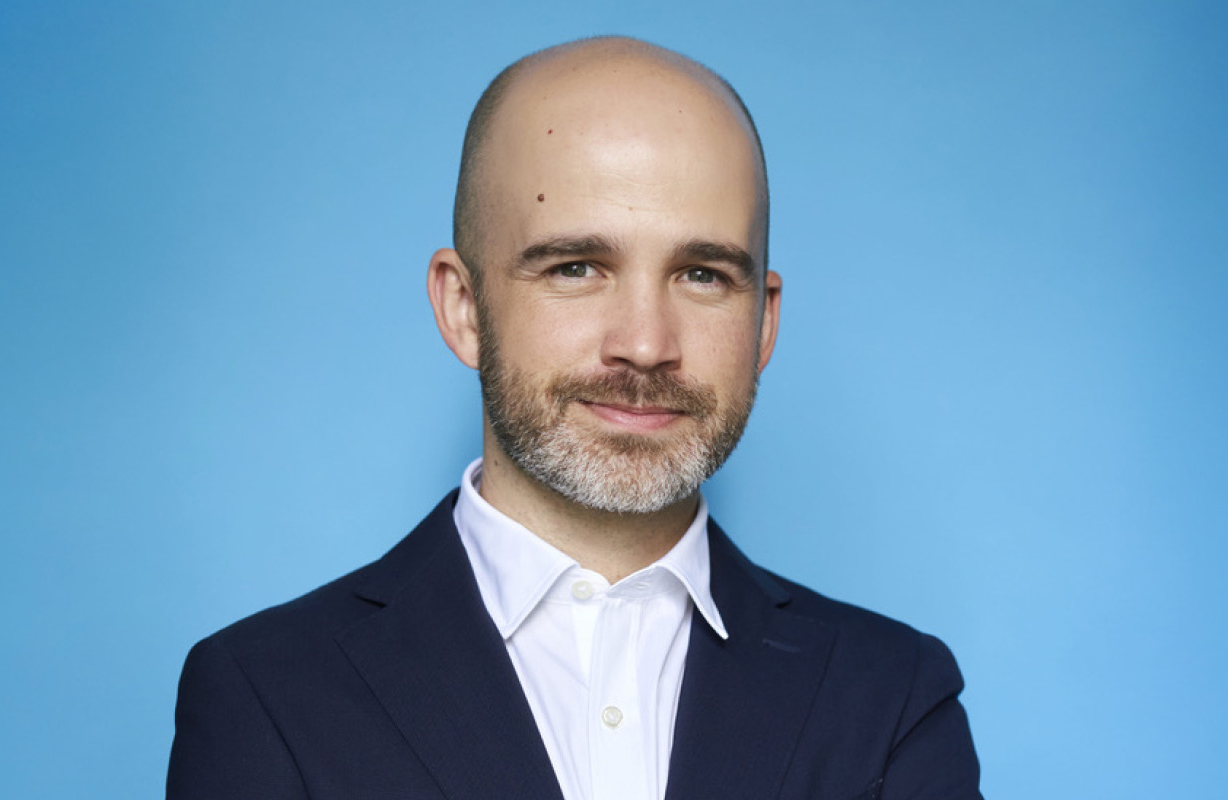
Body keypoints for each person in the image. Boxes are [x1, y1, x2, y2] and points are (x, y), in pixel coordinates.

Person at [167, 36, 982, 800]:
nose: (645, 345)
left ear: (763, 323)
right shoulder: (264, 694)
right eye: (576, 268)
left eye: (702, 275)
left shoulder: (894, 699)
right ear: (464, 308)